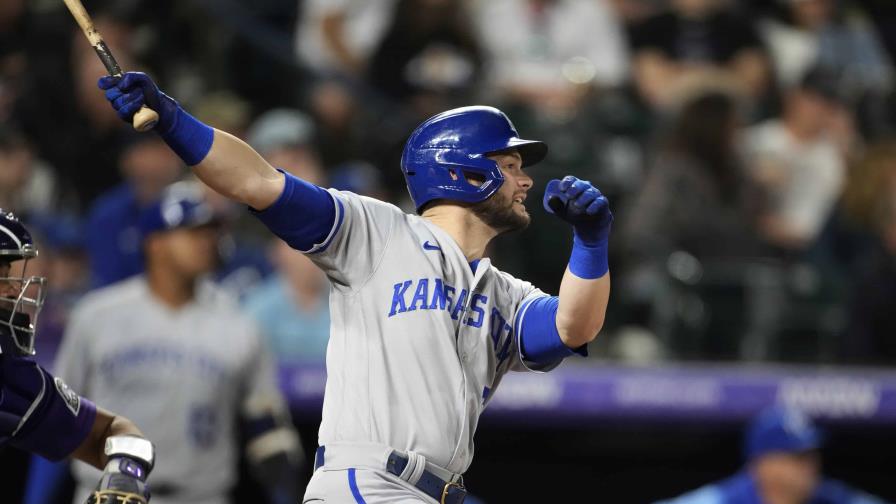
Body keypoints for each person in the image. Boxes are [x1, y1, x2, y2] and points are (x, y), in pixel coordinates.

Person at [98, 71, 613, 503]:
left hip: (430, 490)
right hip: (369, 481)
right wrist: (171, 118)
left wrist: (591, 243)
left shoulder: (503, 290)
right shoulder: (380, 232)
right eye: (509, 165)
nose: (524, 181)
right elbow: (257, 182)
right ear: (463, 171)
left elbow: (572, 325)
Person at [54, 182, 303, 504]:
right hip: (107, 494)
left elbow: (267, 430)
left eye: (211, 231)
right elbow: (57, 418)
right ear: (155, 242)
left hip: (202, 496)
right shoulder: (97, 316)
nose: (207, 241)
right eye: (192, 232)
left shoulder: (239, 324)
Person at [0, 210, 155, 504]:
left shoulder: (12, 378)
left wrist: (123, 475)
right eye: (2, 273)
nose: (13, 288)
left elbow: (112, 433)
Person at [656, 406, 887, 504]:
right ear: (763, 464)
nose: (810, 466)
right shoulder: (723, 499)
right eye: (796, 458)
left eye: (811, 455)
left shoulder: (828, 496)